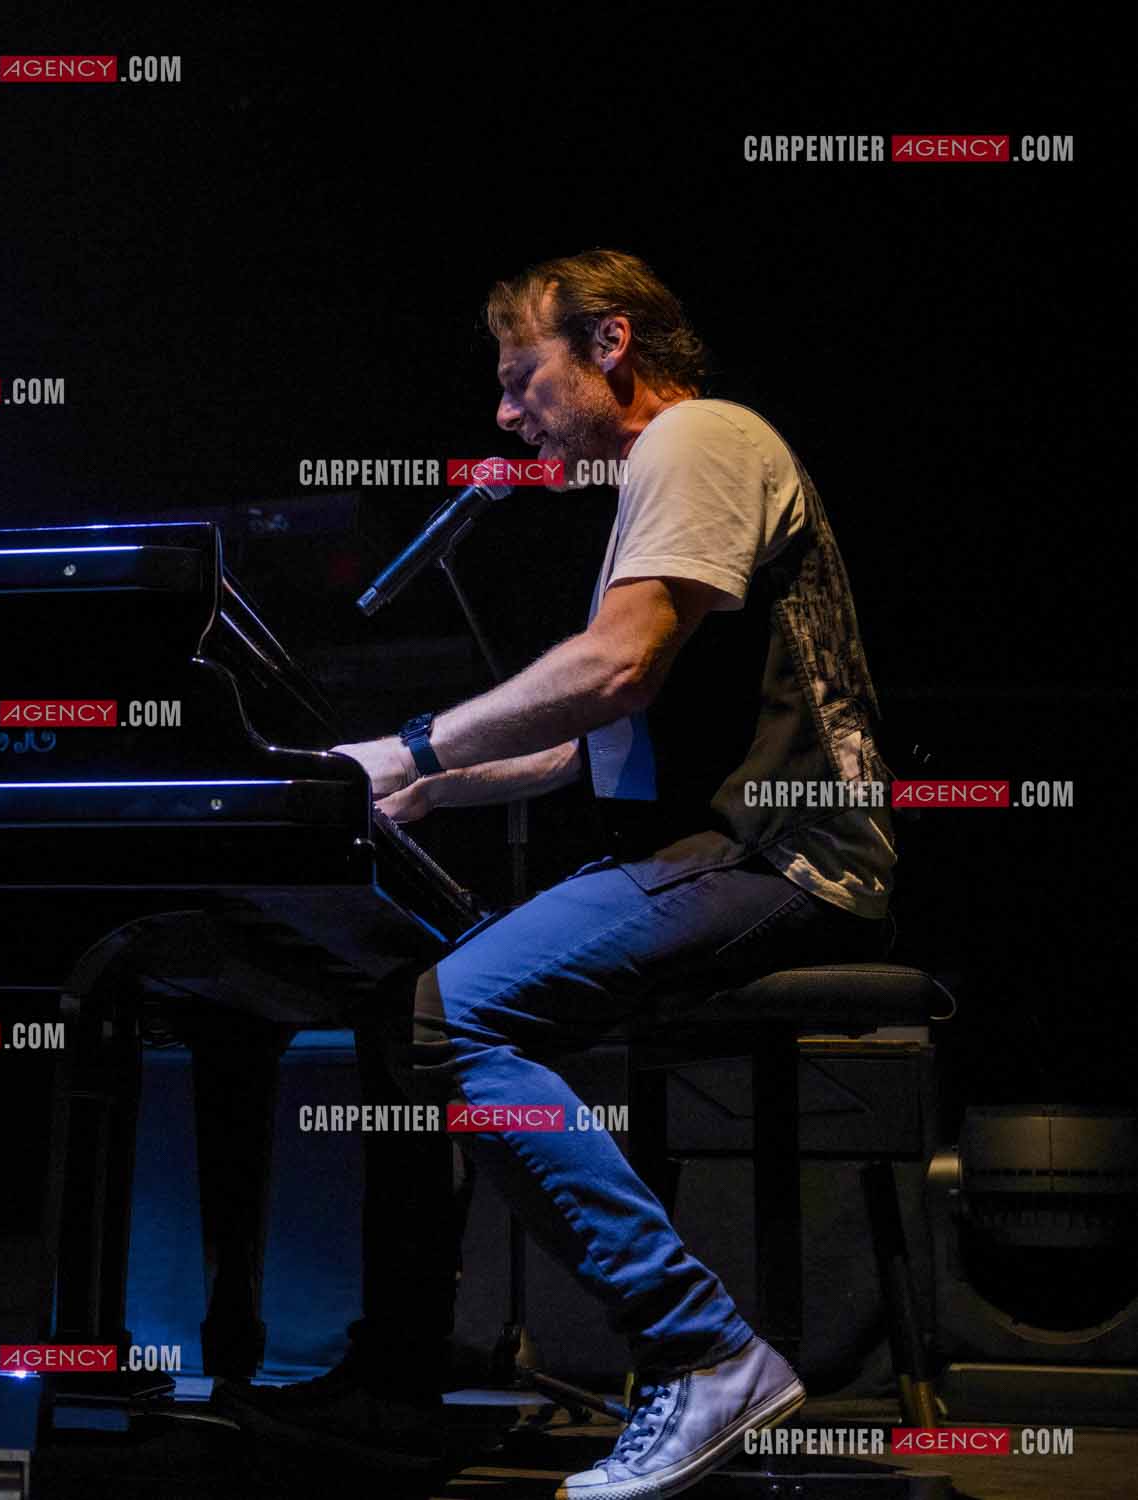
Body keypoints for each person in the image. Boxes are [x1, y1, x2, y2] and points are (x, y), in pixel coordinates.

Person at [220, 250, 897, 1500]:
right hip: (700, 849)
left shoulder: (697, 442)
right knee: (399, 1021)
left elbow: (614, 668)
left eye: (521, 377)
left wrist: (407, 744)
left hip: (780, 852)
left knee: (451, 1014)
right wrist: (421, 788)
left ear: (610, 345)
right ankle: (402, 1374)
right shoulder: (665, 474)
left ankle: (705, 1351)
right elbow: (597, 736)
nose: (504, 414)